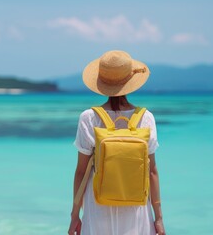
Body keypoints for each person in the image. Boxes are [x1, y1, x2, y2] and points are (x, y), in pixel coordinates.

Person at [68, 50, 166, 235]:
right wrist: (158, 218)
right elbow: (152, 171)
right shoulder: (146, 118)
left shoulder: (89, 118)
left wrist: (75, 215)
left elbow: (81, 171)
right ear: (130, 82)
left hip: (98, 205)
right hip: (136, 207)